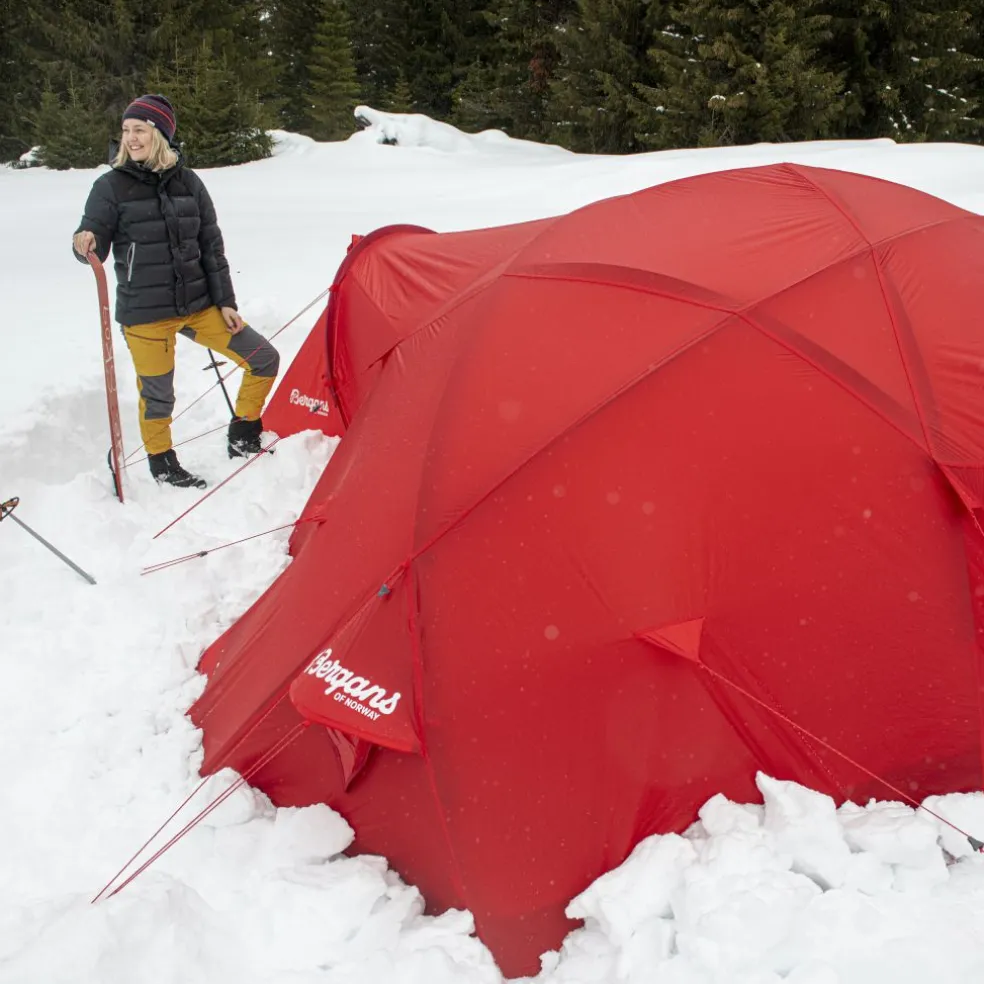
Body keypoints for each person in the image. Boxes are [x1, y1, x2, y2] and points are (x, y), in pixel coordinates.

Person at [72, 94, 279, 489]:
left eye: (140, 130)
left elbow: (212, 248)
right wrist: (85, 243)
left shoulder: (189, 183)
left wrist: (226, 303)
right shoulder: (110, 187)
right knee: (158, 396)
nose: (130, 139)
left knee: (264, 358)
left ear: (161, 134)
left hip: (199, 305)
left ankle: (244, 432)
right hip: (146, 312)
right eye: (126, 131)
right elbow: (93, 235)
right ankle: (162, 463)